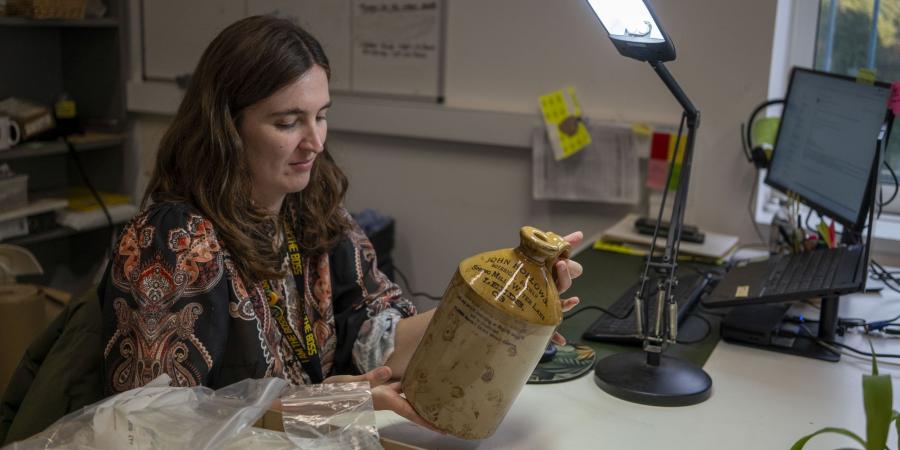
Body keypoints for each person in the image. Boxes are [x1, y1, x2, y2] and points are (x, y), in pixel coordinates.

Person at [98, 15, 583, 429]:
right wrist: (330, 403)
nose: (314, 142)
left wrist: (501, 310)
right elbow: (155, 422)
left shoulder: (312, 209)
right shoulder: (173, 242)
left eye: (321, 116)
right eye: (288, 122)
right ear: (225, 128)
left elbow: (376, 339)